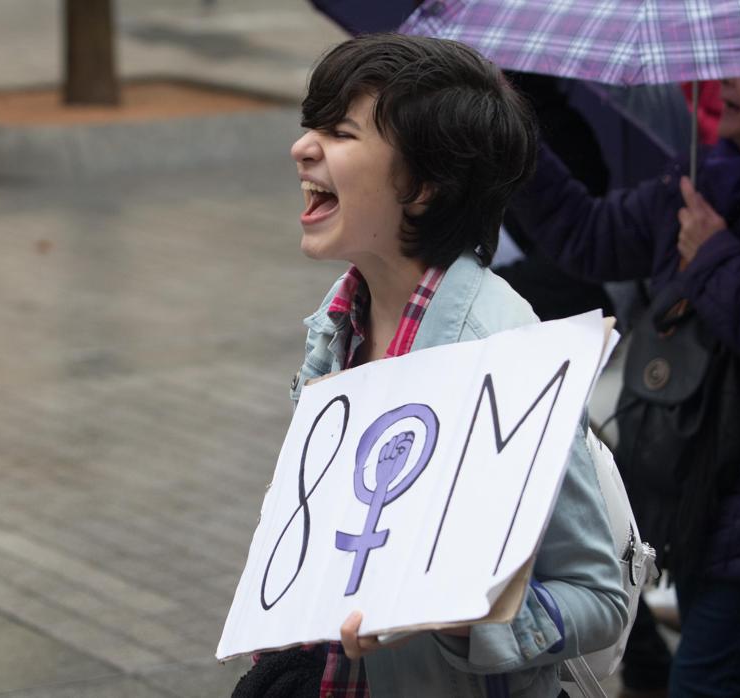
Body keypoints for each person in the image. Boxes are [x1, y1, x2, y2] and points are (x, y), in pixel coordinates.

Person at [239, 34, 628, 698]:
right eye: (313, 126)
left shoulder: (505, 354)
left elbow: (600, 598)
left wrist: (457, 624)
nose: (303, 148)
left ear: (421, 186)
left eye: (339, 132)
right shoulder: (338, 321)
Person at [508, 73, 740, 696]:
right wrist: (512, 135)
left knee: (706, 680)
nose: (725, 80)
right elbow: (588, 237)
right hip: (695, 481)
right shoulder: (705, 176)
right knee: (732, 672)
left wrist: (714, 256)